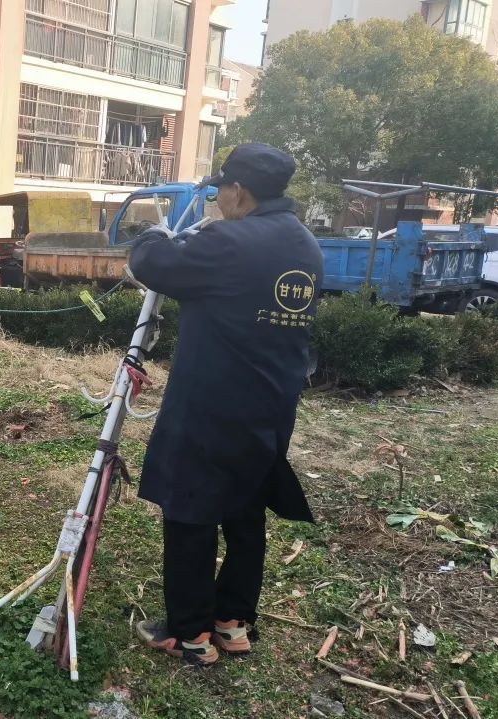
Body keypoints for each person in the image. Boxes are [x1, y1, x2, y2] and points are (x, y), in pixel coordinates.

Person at [128, 143, 324, 665]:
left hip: (211, 405)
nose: (217, 200)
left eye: (220, 191)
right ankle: (232, 623)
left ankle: (190, 633)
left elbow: (154, 263)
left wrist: (151, 233)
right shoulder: (306, 245)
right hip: (271, 406)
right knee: (245, 511)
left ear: (239, 191)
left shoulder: (229, 240)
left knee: (190, 512)